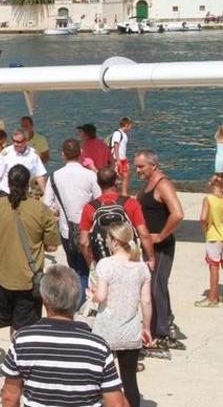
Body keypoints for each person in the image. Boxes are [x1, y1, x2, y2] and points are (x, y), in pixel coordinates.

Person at [0, 265, 126, 407]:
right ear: (77, 299)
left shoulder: (23, 341)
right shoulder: (98, 347)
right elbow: (116, 404)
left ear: (44, 299)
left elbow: (9, 397)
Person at [0, 165, 60, 338]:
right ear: (28, 184)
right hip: (29, 279)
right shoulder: (41, 209)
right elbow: (52, 246)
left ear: (8, 183)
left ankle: (15, 350)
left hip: (1, 278)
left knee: (13, 325)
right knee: (24, 327)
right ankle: (20, 352)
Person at [88, 223, 153, 407]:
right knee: (129, 379)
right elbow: (146, 301)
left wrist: (92, 296)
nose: (106, 242)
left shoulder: (105, 264)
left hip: (105, 330)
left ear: (115, 241)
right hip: (130, 331)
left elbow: (101, 296)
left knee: (99, 378)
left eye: (108, 239)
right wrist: (146, 327)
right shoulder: (141, 267)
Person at [134, 149, 185, 352]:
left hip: (162, 247)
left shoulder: (163, 184)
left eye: (141, 166)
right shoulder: (148, 184)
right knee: (153, 287)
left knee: (156, 287)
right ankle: (163, 324)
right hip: (149, 246)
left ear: (153, 165)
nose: (138, 170)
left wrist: (161, 236)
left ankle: (162, 332)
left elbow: (177, 214)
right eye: (136, 166)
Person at [44, 139, 101, 302]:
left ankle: (76, 300)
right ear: (81, 152)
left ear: (63, 154)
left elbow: (47, 204)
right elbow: (99, 200)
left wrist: (58, 209)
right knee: (85, 269)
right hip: (87, 229)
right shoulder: (90, 175)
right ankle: (81, 301)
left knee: (74, 267)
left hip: (66, 229)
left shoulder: (54, 176)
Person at [0, 129, 48, 195]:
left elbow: (40, 176)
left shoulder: (33, 154)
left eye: (19, 142)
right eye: (14, 141)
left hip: (25, 193)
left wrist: (46, 194)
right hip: (6, 192)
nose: (16, 144)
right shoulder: (5, 154)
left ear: (26, 141)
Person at [196, 173, 223, 307]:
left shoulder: (208, 199)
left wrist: (205, 228)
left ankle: (212, 298)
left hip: (214, 236)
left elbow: (203, 218)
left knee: (214, 267)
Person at [110, 118, 134, 196]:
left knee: (126, 175)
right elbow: (116, 146)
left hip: (123, 158)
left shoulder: (124, 135)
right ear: (126, 125)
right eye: (130, 126)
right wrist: (118, 160)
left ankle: (124, 193)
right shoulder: (117, 133)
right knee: (115, 177)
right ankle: (113, 193)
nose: (131, 128)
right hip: (117, 159)